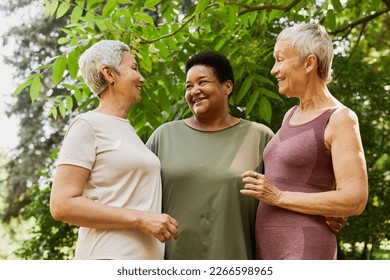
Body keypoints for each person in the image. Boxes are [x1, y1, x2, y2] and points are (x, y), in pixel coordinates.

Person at [241, 23, 368, 260]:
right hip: (268, 249)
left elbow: (354, 199)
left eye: (280, 60)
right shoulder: (291, 114)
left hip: (304, 248)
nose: (273, 70)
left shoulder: (340, 118)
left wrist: (278, 196)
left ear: (309, 63)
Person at [50, 40, 178, 260]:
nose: (141, 78)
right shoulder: (87, 125)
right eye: (134, 68)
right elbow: (62, 204)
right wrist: (140, 219)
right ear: (109, 74)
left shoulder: (129, 133)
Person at [146, 50, 274, 259]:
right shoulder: (164, 135)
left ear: (227, 86)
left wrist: (324, 213)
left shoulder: (259, 136)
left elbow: (283, 194)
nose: (194, 91)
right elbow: (134, 192)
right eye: (189, 86)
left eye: (202, 82)